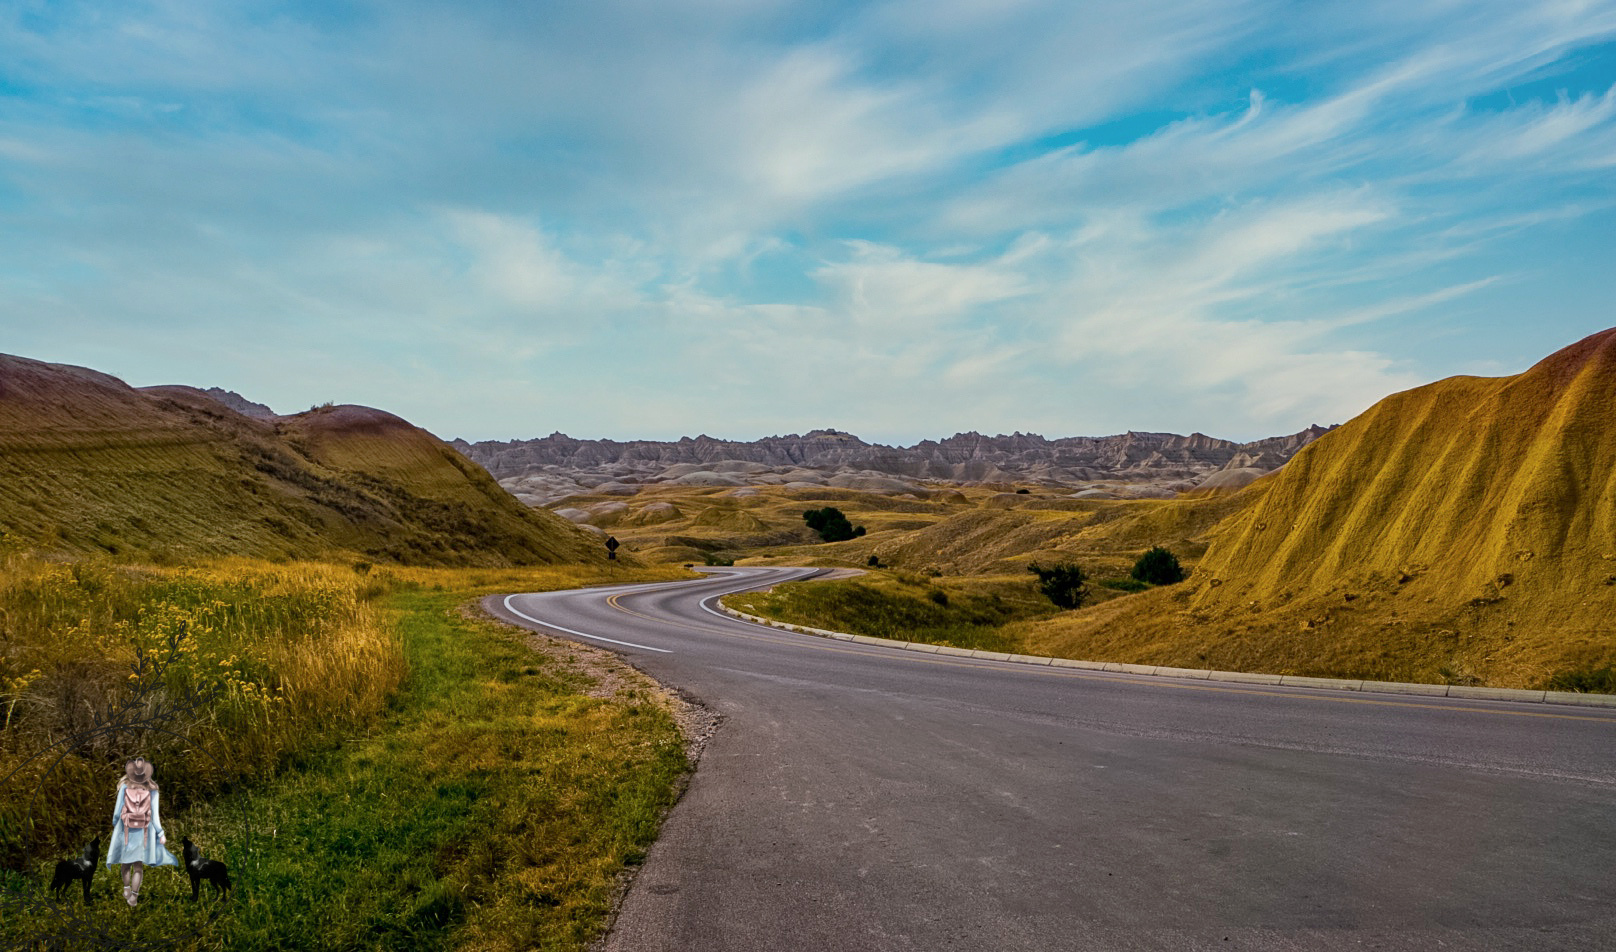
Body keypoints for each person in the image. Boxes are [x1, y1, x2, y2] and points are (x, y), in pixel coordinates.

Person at [105, 757, 178, 907]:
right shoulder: (153, 790)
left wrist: (116, 825)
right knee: (138, 866)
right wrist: (160, 833)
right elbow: (155, 816)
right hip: (144, 831)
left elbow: (117, 812)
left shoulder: (125, 787)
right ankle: (134, 896)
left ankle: (126, 888)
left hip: (125, 829)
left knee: (125, 863)